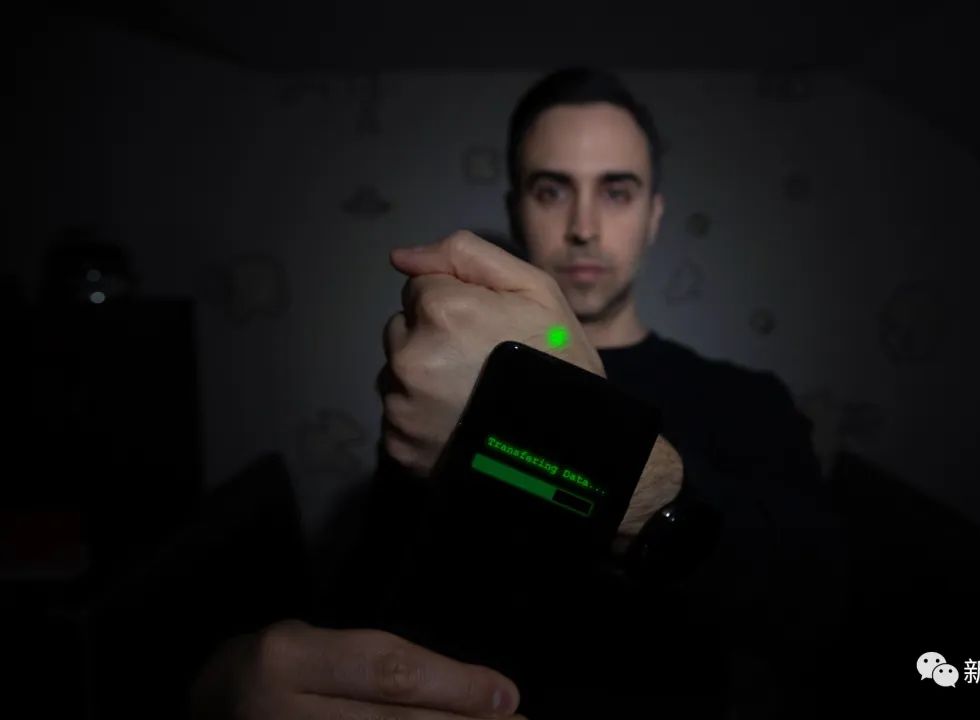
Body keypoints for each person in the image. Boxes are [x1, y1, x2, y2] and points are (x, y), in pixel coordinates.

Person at [190, 67, 847, 719]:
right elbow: (375, 609)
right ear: (515, 210)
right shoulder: (450, 382)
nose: (583, 226)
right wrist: (243, 682)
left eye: (616, 192)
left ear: (653, 216)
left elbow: (819, 608)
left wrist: (599, 458)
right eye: (551, 190)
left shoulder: (747, 398)